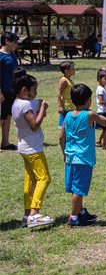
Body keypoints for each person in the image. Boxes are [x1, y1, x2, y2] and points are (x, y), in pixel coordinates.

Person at [60, 84, 106, 227]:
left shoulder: (68, 115)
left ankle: (80, 212)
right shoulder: (90, 114)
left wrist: (64, 152)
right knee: (79, 188)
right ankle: (73, 218)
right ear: (88, 100)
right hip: (83, 158)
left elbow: (61, 137)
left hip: (70, 157)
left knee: (75, 187)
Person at [12, 74, 54, 228]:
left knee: (30, 181)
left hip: (24, 147)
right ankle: (34, 214)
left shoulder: (17, 103)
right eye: (34, 90)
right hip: (33, 149)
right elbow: (34, 125)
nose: (36, 93)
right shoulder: (25, 106)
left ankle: (26, 215)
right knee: (44, 178)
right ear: (25, 90)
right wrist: (42, 108)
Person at [0, 31, 20, 151]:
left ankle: (5, 142)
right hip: (3, 91)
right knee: (1, 117)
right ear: (6, 42)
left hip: (11, 90)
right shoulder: (1, 56)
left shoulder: (11, 54)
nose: (16, 44)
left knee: (7, 116)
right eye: (15, 42)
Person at [57, 61, 75, 142]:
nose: (74, 70)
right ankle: (62, 142)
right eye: (72, 68)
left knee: (71, 126)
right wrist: (59, 106)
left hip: (71, 107)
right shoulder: (64, 81)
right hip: (66, 108)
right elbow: (59, 93)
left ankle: (69, 141)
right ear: (66, 71)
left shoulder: (69, 80)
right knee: (65, 127)